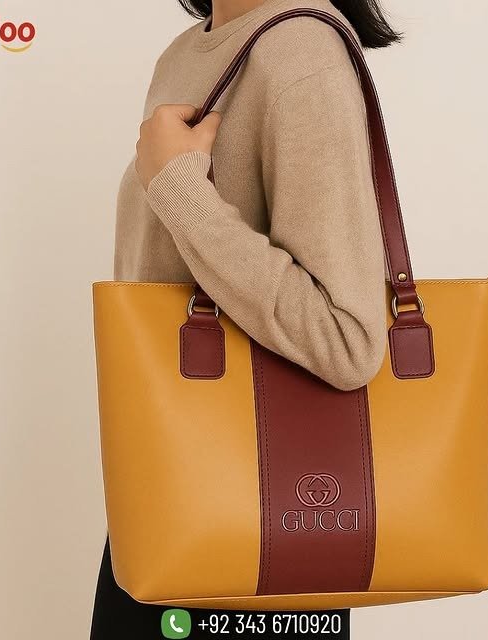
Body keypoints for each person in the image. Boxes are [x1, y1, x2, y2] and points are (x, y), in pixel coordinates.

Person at [90, 0, 400, 637]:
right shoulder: (185, 54)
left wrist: (180, 187)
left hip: (256, 530)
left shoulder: (301, 54)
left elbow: (348, 340)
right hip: (160, 501)